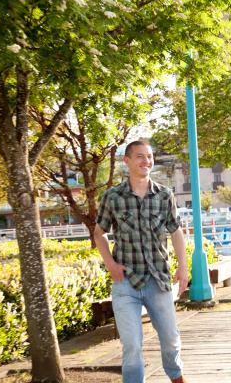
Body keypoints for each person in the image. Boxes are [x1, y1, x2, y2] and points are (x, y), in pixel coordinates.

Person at [94, 141, 189, 383]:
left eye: (149, 156)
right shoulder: (112, 197)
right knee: (132, 344)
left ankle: (176, 377)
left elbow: (175, 231)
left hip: (159, 278)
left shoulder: (165, 195)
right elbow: (99, 233)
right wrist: (111, 265)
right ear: (126, 161)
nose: (146, 161)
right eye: (140, 156)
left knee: (170, 338)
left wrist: (183, 267)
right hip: (126, 282)